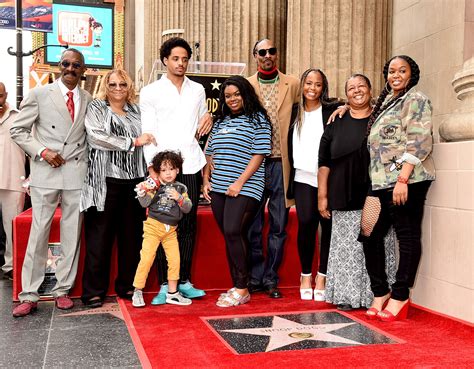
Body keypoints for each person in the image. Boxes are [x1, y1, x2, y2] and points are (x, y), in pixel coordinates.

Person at [10, 49, 92, 317]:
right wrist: (43, 151)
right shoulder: (39, 95)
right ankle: (29, 294)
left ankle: (62, 290)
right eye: (66, 64)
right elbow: (17, 130)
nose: (70, 68)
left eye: (76, 65)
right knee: (38, 232)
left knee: (72, 233)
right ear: (59, 66)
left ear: (83, 70)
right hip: (46, 171)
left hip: (75, 174)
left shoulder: (90, 100)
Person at [361, 55, 435, 321]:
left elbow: (419, 141)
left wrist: (403, 179)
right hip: (379, 182)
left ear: (411, 74)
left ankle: (401, 295)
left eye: (401, 70)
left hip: (407, 181)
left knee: (406, 235)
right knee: (369, 235)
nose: (395, 75)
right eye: (391, 71)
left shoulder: (416, 99)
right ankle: (380, 292)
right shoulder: (384, 104)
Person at [140, 37, 212, 304]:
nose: (181, 63)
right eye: (175, 58)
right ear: (165, 61)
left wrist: (209, 116)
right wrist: (153, 170)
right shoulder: (150, 92)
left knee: (189, 224)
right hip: (164, 168)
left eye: (185, 59)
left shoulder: (197, 90)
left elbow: (203, 119)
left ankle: (183, 281)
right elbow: (148, 132)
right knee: (162, 225)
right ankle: (163, 285)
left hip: (191, 163)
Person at [318, 74, 396, 311]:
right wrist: (322, 196)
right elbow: (323, 161)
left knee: (374, 243)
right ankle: (348, 296)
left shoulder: (381, 118)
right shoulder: (336, 121)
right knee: (347, 250)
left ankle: (379, 294)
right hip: (342, 194)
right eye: (351, 88)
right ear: (346, 95)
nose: (357, 91)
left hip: (375, 193)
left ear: (371, 90)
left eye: (361, 86)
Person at [80, 69, 155, 308]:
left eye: (123, 84)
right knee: (99, 239)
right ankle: (93, 291)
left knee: (131, 238)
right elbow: (96, 137)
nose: (118, 89)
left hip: (134, 182)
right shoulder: (96, 107)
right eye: (113, 84)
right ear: (106, 86)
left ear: (129, 86)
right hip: (104, 181)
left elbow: (150, 138)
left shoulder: (136, 110)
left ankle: (127, 286)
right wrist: (132, 141)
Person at [203, 76, 271, 307]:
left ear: (246, 94)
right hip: (219, 187)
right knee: (232, 236)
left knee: (233, 231)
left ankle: (242, 288)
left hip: (245, 187)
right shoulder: (220, 121)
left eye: (236, 94)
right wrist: (206, 180)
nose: (232, 99)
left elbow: (259, 154)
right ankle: (238, 284)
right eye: (228, 95)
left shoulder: (258, 119)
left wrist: (240, 182)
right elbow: (209, 152)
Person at [247, 38, 299, 298]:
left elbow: (312, 108)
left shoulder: (293, 83)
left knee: (279, 225)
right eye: (262, 52)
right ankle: (255, 277)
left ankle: (271, 278)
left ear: (277, 54)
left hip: (281, 164)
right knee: (253, 224)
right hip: (254, 164)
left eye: (272, 50)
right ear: (255, 56)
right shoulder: (247, 85)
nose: (268, 55)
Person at [286, 69, 341, 301]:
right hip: (302, 176)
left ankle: (323, 275)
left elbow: (356, 108)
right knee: (307, 224)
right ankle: (305, 274)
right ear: (303, 85)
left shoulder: (331, 109)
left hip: (326, 176)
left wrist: (345, 107)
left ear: (323, 87)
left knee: (327, 226)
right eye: (309, 83)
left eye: (318, 84)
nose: (312, 88)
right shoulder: (294, 112)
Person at [132, 151, 193, 308]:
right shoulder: (154, 185)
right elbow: (145, 203)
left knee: (174, 260)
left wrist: (179, 198)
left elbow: (187, 208)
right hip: (153, 227)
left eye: (171, 169)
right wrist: (141, 193)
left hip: (171, 230)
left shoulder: (181, 187)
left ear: (177, 170)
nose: (168, 173)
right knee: (146, 258)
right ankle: (137, 291)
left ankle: (172, 294)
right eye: (164, 170)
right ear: (158, 171)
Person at [0, 82, 26, 280]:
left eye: (0, 96)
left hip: (13, 179)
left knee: (12, 226)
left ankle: (11, 265)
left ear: (6, 95)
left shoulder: (18, 118)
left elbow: (33, 148)